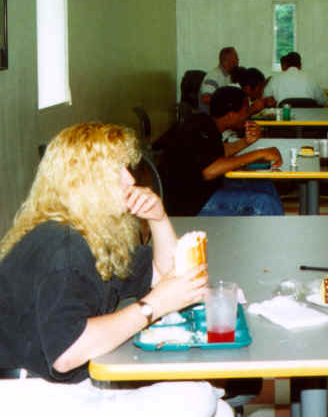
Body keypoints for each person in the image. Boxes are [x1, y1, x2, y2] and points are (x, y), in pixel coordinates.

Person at [0, 123, 233, 416]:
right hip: (27, 398)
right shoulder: (63, 247)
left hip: (62, 387)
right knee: (197, 395)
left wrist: (158, 219)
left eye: (127, 167)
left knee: (217, 407)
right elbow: (66, 353)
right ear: (80, 181)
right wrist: (154, 305)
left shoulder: (92, 233)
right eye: (116, 171)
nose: (129, 178)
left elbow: (169, 275)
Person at [160, 86, 284, 216]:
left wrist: (245, 142)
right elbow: (210, 170)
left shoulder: (205, 123)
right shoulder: (200, 128)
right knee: (264, 203)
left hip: (204, 190)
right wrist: (259, 153)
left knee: (265, 185)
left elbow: (215, 153)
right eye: (245, 111)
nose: (248, 115)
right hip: (190, 205)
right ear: (230, 116)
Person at [263, 52, 327, 106]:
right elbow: (323, 101)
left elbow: (264, 98)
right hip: (308, 119)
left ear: (286, 64)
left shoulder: (275, 79)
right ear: (300, 65)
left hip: (283, 119)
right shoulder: (310, 78)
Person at [198, 47, 241, 113]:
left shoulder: (227, 76)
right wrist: (228, 100)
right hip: (209, 118)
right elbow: (205, 99)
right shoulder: (213, 76)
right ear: (226, 62)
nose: (238, 62)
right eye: (236, 60)